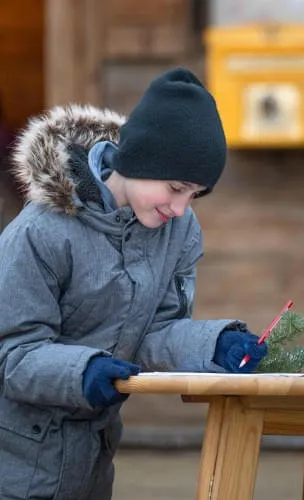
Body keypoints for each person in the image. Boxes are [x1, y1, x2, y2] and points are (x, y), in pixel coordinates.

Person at [0, 67, 268, 499]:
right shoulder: (39, 233)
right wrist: (83, 370)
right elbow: (12, 355)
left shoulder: (178, 230)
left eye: (195, 194)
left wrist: (213, 345)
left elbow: (154, 331)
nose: (182, 208)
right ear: (140, 160)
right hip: (15, 462)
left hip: (93, 460)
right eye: (177, 188)